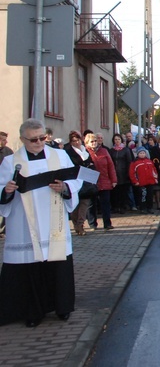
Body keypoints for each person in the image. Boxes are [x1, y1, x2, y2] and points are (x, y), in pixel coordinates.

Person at [0, 119, 81, 327]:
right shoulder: (11, 162)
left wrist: (65, 187)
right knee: (31, 267)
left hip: (54, 221)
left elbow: (75, 179)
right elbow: (1, 189)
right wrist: (6, 191)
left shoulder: (60, 155)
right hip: (25, 224)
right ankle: (33, 311)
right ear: (22, 139)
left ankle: (62, 307)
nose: (39, 143)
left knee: (58, 264)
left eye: (42, 138)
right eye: (33, 139)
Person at [85, 133, 117, 230]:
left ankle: (107, 224)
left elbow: (110, 166)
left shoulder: (104, 151)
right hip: (91, 182)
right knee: (91, 204)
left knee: (106, 203)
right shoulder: (85, 152)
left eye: (95, 141)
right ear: (87, 143)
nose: (94, 143)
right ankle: (92, 224)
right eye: (92, 141)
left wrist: (113, 180)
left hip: (104, 180)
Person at [109, 134, 134, 213]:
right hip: (114, 173)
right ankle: (115, 206)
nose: (117, 141)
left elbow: (129, 161)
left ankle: (123, 207)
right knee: (115, 191)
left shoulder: (126, 150)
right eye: (115, 139)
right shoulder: (111, 150)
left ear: (121, 140)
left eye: (118, 139)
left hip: (123, 173)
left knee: (123, 191)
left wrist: (128, 173)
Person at [129, 147, 158, 213]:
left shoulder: (149, 161)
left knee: (150, 195)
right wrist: (135, 181)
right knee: (143, 196)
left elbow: (154, 170)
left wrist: (155, 178)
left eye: (143, 153)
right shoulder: (134, 162)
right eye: (140, 153)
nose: (142, 154)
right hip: (141, 182)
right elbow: (132, 173)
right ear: (138, 154)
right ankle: (143, 208)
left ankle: (150, 208)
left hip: (150, 181)